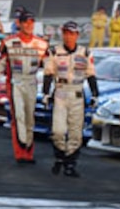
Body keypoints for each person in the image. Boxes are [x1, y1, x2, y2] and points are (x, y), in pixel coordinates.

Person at [0, 11, 48, 163]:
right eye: (26, 22)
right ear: (19, 24)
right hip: (15, 82)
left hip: (32, 82)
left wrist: (54, 86)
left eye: (31, 22)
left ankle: (28, 151)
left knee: (29, 118)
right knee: (18, 116)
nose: (29, 25)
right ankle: (20, 151)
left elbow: (50, 67)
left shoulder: (42, 44)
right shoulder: (8, 42)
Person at [42, 21, 99, 177]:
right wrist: (46, 93)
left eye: (72, 33)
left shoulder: (85, 53)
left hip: (77, 93)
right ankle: (60, 156)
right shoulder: (54, 51)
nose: (69, 37)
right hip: (60, 91)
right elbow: (48, 74)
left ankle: (70, 163)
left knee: (75, 133)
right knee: (58, 131)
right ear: (62, 34)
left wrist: (95, 94)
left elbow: (91, 75)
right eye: (66, 33)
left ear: (77, 35)